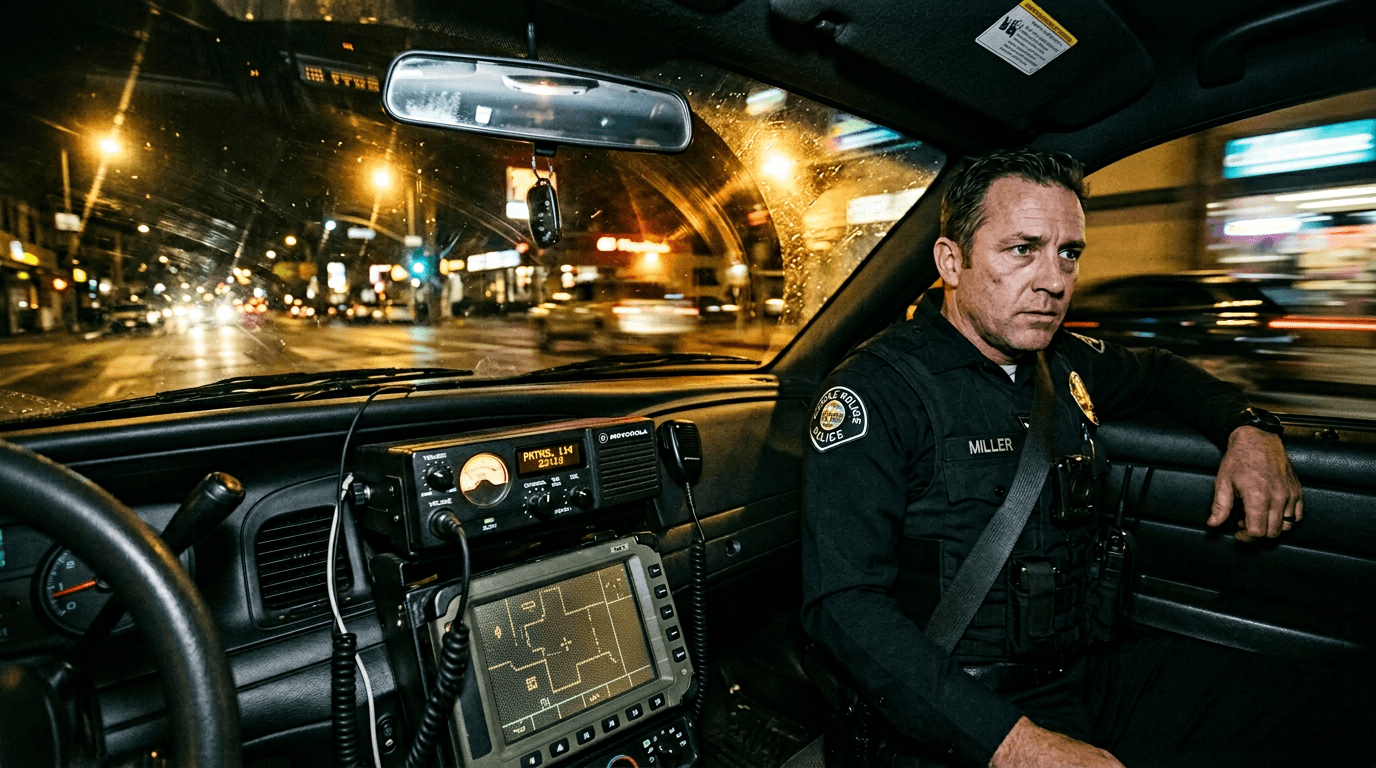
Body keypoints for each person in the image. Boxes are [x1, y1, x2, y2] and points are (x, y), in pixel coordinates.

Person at [800, 149, 1367, 767]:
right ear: (952, 261)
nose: (1054, 280)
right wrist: (1015, 746)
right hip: (960, 704)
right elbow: (844, 607)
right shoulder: (877, 393)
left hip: (1084, 670)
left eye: (1068, 252)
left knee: (1327, 706)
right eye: (1023, 249)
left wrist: (1249, 428)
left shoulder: (1063, 361)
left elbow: (1161, 375)